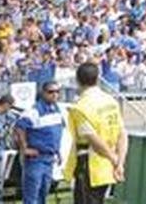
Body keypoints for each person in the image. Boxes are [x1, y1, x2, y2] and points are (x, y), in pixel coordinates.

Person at [66, 61, 127, 204]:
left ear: (78, 80)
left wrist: (114, 159)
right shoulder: (110, 101)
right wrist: (120, 163)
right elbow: (122, 133)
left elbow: (93, 139)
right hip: (106, 165)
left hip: (90, 165)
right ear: (98, 78)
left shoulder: (80, 107)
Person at [15, 82, 65, 204]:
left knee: (43, 193)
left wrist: (58, 152)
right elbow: (19, 128)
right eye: (51, 92)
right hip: (36, 159)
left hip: (49, 158)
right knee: (32, 195)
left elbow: (55, 134)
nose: (55, 95)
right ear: (43, 93)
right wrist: (24, 148)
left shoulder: (56, 109)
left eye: (57, 92)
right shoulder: (34, 111)